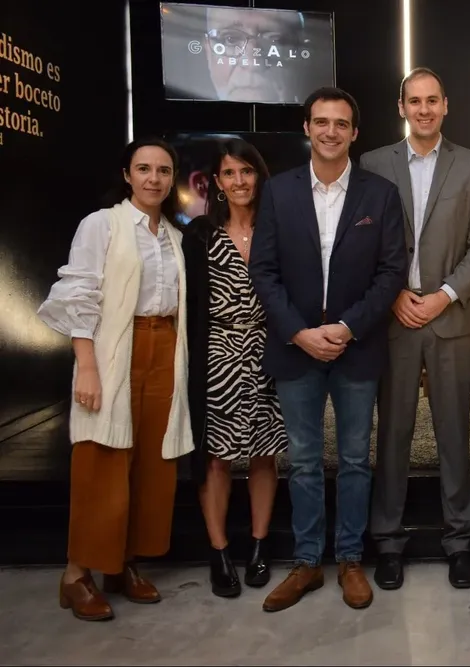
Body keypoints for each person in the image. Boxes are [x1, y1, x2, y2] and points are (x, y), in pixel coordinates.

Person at [248, 87, 408, 612]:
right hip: (296, 347)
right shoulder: (278, 192)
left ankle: (350, 559)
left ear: (354, 133)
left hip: (355, 347)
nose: (331, 131)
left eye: (341, 123)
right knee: (305, 459)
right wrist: (299, 332)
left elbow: (391, 274)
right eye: (321, 122)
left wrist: (345, 327)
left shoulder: (380, 194)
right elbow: (264, 272)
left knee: (358, 459)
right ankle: (307, 561)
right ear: (307, 128)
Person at [37, 137, 194, 621]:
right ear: (127, 175)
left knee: (149, 462)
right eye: (143, 169)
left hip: (164, 348)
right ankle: (76, 574)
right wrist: (86, 364)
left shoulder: (173, 235)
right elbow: (77, 293)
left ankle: (121, 564)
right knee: (102, 461)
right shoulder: (102, 224)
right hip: (114, 353)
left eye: (163, 171)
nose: (153, 178)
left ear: (172, 180)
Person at [360, 67, 470, 591]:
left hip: (451, 320)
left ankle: (460, 539)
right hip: (392, 319)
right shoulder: (372, 164)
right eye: (414, 101)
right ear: (401, 108)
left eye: (432, 100)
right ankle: (388, 542)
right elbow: (362, 242)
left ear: (445, 105)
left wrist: (443, 296)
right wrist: (393, 294)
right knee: (391, 435)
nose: (423, 109)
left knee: (454, 435)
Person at [182, 138, 288, 598]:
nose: (239, 181)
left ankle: (260, 546)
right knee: (217, 457)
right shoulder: (200, 234)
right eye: (230, 173)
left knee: (266, 453)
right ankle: (219, 550)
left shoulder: (278, 229)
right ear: (218, 182)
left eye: (247, 171)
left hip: (271, 352)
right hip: (218, 355)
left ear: (259, 176)